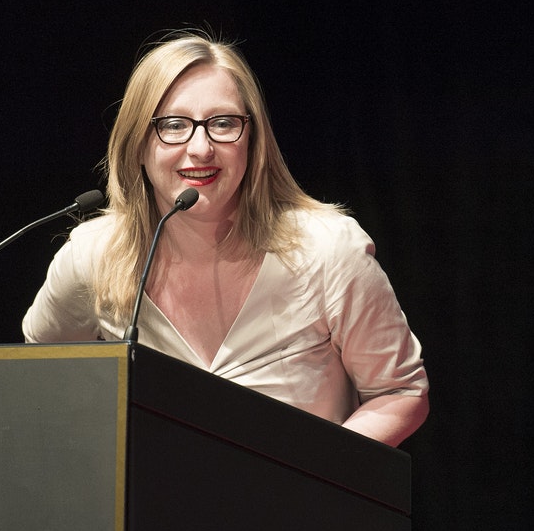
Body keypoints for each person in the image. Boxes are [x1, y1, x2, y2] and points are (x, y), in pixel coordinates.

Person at [22, 29, 428, 448]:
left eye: (223, 123)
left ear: (252, 139)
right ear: (137, 144)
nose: (201, 148)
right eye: (173, 125)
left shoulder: (327, 250)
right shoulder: (93, 255)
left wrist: (316, 474)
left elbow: (401, 392)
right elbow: (36, 375)